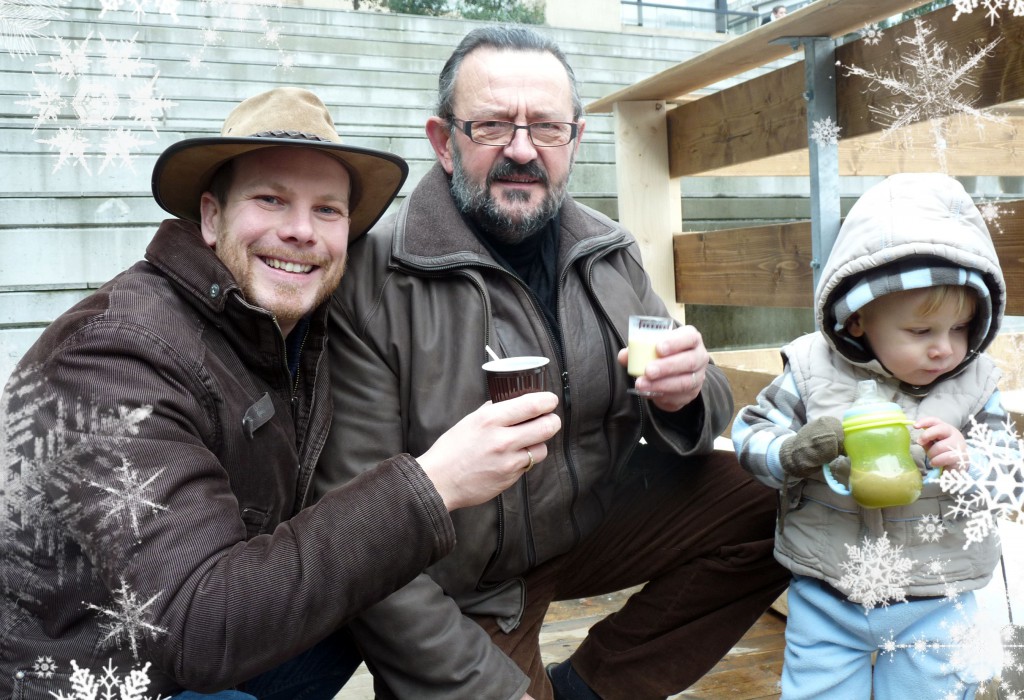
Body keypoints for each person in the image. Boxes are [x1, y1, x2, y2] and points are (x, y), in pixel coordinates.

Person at [0, 86, 561, 700]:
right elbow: (197, 627)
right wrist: (431, 485)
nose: (300, 232)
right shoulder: (114, 355)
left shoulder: (299, 327)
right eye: (271, 200)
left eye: (327, 210)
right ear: (210, 218)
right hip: (84, 675)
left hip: (215, 633)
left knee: (397, 586)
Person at [316, 26, 789, 700]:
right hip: (462, 577)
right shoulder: (372, 276)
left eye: (546, 127)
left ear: (575, 139)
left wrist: (688, 393)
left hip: (593, 518)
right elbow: (364, 539)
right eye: (491, 126)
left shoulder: (608, 251)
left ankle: (590, 688)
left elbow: (705, 394)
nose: (521, 150)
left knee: (777, 497)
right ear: (443, 142)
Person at [732, 173, 1012, 699]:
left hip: (935, 598)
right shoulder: (811, 370)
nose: (945, 350)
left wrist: (971, 459)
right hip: (828, 593)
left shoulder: (976, 386)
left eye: (961, 329)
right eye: (921, 331)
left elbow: (1011, 475)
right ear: (858, 319)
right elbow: (750, 435)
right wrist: (792, 453)